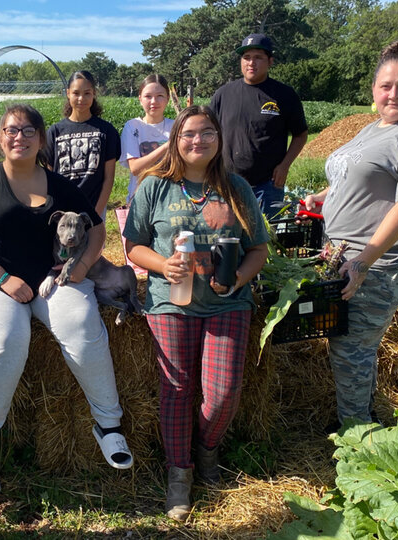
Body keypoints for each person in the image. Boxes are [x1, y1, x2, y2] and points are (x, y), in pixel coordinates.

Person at [0, 103, 133, 500]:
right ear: (0, 137)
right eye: (11, 130)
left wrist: (82, 266)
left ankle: (109, 424)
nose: (19, 137)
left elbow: (98, 231)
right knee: (6, 341)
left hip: (51, 276)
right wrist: (2, 278)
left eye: (28, 130)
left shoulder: (59, 184)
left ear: (41, 138)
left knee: (82, 326)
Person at [123, 106, 268, 521]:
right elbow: (133, 246)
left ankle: (207, 450)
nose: (197, 141)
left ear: (219, 140)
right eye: (188, 133)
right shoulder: (155, 188)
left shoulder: (236, 188)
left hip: (227, 302)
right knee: (177, 389)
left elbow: (257, 248)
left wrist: (239, 278)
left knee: (223, 393)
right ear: (176, 140)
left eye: (207, 133)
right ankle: (179, 473)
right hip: (171, 302)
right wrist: (163, 265)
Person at [302, 40, 398, 429]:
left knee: (350, 350)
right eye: (386, 85)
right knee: (354, 348)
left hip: (373, 263)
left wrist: (363, 261)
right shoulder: (371, 127)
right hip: (339, 254)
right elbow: (350, 178)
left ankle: (356, 439)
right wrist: (320, 196)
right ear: (373, 90)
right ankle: (364, 421)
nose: (393, 94)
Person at [210, 33, 308, 218]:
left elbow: (300, 134)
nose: (251, 63)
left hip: (268, 184)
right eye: (246, 57)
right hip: (226, 182)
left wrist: (285, 166)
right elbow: (209, 132)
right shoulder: (224, 94)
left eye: (258, 58)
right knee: (225, 241)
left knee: (267, 241)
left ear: (270, 61)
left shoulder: (285, 95)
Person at [45, 71, 121, 217]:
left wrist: (96, 214)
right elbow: (49, 177)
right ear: (68, 93)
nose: (81, 98)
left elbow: (109, 177)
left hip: (94, 209)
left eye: (87, 93)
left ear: (94, 93)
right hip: (62, 212)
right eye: (76, 93)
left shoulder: (106, 131)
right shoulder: (55, 131)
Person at [120, 74, 175, 203]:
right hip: (140, 198)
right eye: (148, 96)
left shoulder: (176, 126)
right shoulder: (133, 126)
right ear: (140, 99)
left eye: (160, 96)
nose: (154, 102)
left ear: (167, 98)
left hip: (170, 198)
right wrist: (167, 146)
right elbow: (135, 168)